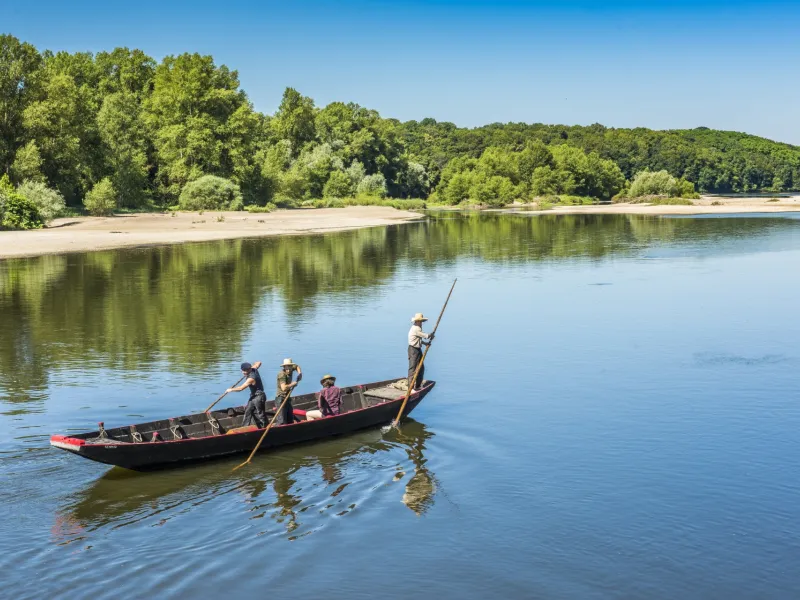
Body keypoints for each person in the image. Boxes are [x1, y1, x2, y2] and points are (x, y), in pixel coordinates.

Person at [226, 361, 265, 428]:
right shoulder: (254, 368)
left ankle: (264, 427)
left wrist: (231, 389)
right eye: (242, 370)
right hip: (253, 396)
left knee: (260, 414)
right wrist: (253, 366)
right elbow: (259, 362)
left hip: (259, 396)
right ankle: (244, 427)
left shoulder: (251, 378)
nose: (243, 372)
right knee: (248, 411)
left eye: (245, 371)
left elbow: (241, 388)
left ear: (249, 370)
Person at [408, 313, 434, 391]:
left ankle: (418, 386)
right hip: (413, 350)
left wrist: (425, 343)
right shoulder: (416, 328)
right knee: (413, 368)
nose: (421, 323)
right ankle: (410, 388)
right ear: (417, 321)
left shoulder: (418, 327)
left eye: (422, 321)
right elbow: (424, 335)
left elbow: (418, 338)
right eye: (420, 321)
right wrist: (430, 335)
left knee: (421, 368)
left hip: (417, 349)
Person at [275, 358, 302, 425]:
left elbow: (297, 366)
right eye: (287, 369)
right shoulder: (282, 374)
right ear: (284, 367)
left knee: (290, 419)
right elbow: (283, 388)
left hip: (287, 398)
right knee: (281, 421)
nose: (288, 370)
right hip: (281, 399)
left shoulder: (291, 369)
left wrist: (300, 373)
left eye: (290, 368)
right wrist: (293, 384)